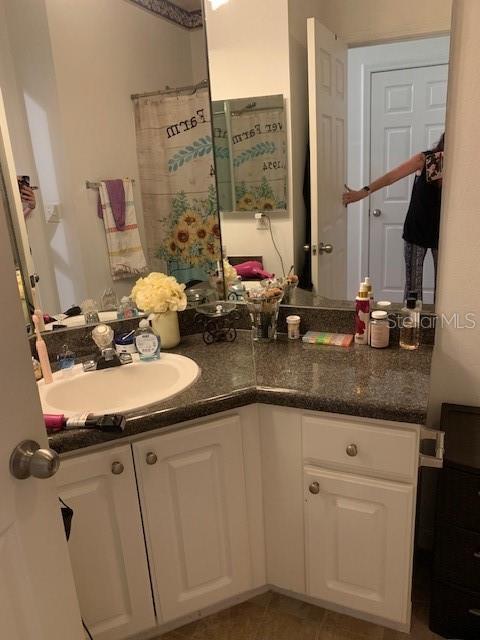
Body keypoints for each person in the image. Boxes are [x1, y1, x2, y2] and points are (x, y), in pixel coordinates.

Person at [343, 134, 444, 301]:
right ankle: (411, 325)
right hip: (417, 229)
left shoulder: (460, 169)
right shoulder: (425, 160)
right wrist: (362, 193)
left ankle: (438, 326)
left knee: (444, 286)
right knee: (413, 287)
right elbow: (391, 177)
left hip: (442, 234)